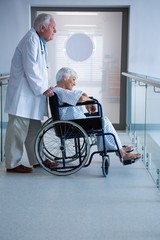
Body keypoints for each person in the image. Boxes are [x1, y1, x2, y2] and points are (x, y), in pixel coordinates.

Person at [53, 67, 141, 164]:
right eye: (73, 79)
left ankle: (119, 149)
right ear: (65, 77)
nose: (74, 83)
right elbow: (81, 98)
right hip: (72, 125)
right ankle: (121, 152)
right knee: (103, 121)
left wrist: (88, 101)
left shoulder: (60, 91)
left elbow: (82, 96)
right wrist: (88, 101)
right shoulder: (61, 91)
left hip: (73, 123)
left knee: (102, 121)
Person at [4, 13, 58, 173]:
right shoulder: (30, 40)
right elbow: (31, 69)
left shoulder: (38, 41)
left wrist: (46, 87)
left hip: (31, 97)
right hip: (22, 98)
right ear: (42, 28)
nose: (55, 31)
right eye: (53, 28)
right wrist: (43, 89)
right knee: (17, 131)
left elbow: (40, 70)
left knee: (35, 130)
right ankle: (12, 164)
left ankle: (37, 159)